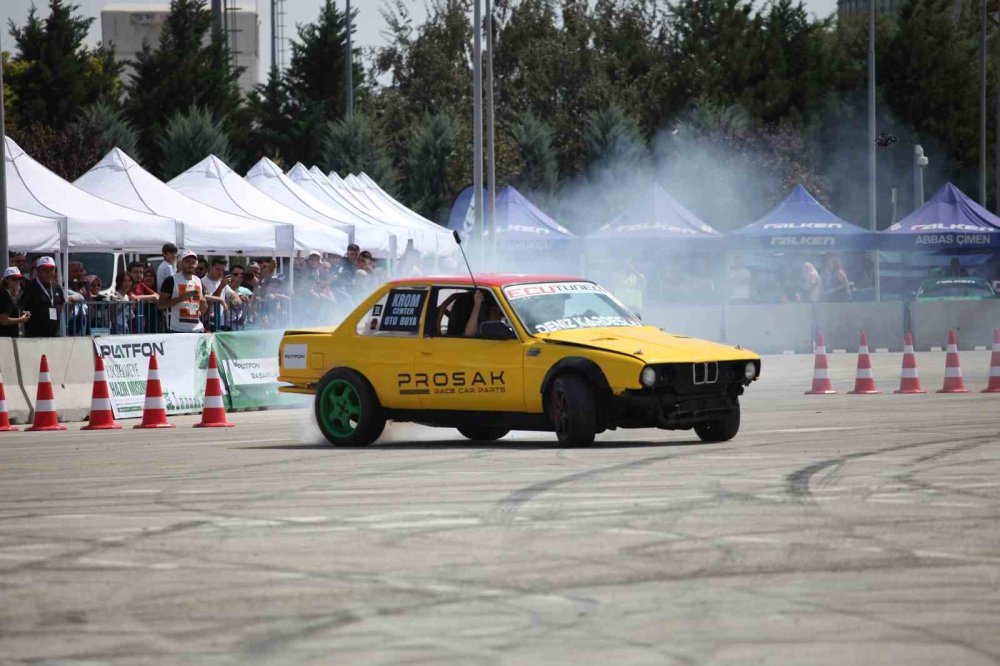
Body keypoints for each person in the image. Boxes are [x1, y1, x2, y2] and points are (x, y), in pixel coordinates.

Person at [158, 250, 207, 333]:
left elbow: (203, 308)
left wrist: (203, 302)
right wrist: (180, 299)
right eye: (187, 261)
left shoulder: (198, 281)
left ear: (196, 264)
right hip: (177, 329)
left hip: (196, 329)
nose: (190, 265)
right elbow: (161, 305)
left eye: (193, 262)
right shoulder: (171, 280)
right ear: (181, 263)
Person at [19, 256, 65, 337]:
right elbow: (20, 307)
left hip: (54, 334)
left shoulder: (57, 287)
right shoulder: (29, 287)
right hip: (34, 335)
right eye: (45, 269)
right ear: (38, 271)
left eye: (51, 269)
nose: (49, 272)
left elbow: (60, 305)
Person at [200, 258, 242, 330]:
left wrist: (236, 301)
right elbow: (212, 300)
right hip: (209, 323)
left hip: (222, 323)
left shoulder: (221, 282)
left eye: (222, 270)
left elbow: (233, 294)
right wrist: (221, 286)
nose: (220, 272)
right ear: (211, 268)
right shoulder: (202, 282)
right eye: (218, 269)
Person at [0, 267, 30, 337]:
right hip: (5, 337)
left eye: (19, 279)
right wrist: (21, 319)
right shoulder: (4, 295)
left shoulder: (11, 294)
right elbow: (3, 321)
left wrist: (23, 313)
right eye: (14, 279)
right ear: (6, 280)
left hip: (11, 336)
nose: (17, 281)